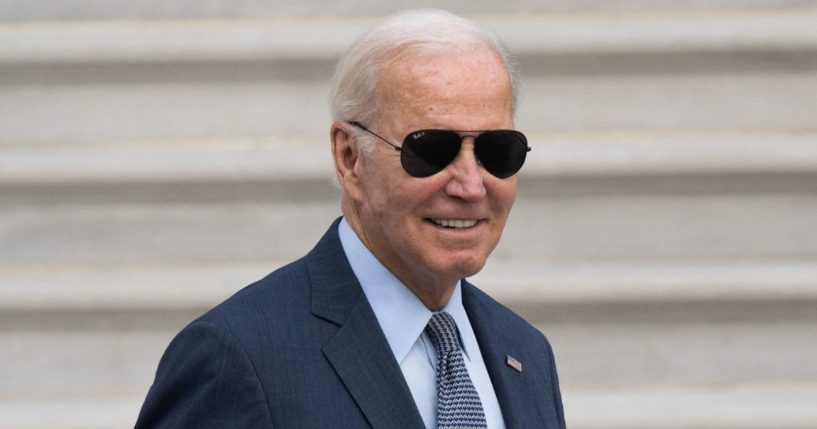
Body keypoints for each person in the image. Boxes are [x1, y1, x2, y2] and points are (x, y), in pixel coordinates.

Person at [136, 9, 565, 429]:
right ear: (349, 157)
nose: (471, 186)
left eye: (497, 151)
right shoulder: (239, 357)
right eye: (431, 150)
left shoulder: (524, 351)